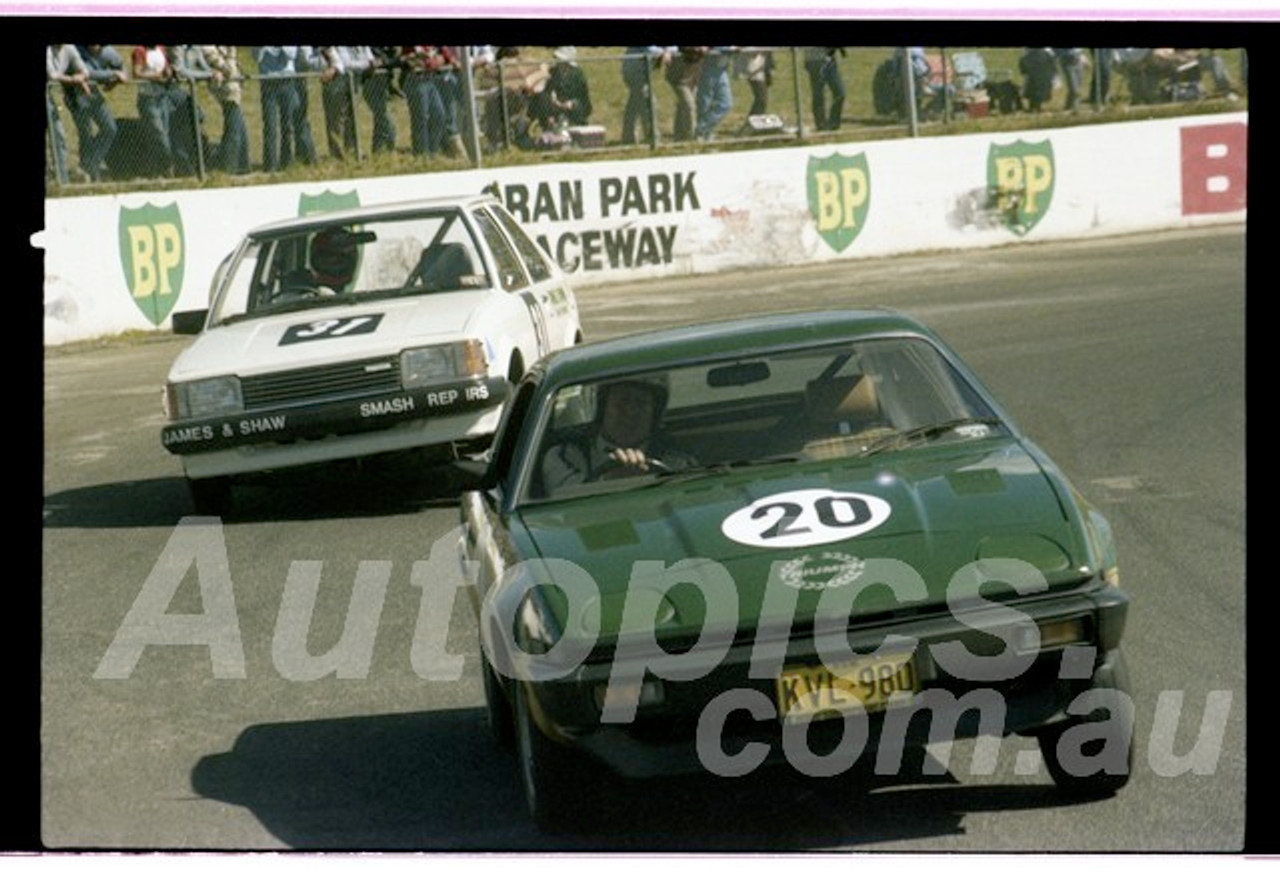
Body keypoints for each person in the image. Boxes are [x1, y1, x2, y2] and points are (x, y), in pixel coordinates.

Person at [541, 376, 694, 492]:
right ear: (603, 408)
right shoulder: (565, 455)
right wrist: (611, 481)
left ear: (655, 414)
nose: (630, 411)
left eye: (641, 403)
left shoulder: (677, 461)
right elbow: (565, 502)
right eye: (622, 401)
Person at [72, 45, 125, 181]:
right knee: (85, 133)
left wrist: (115, 81)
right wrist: (113, 74)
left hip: (93, 92)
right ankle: (90, 173)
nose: (95, 47)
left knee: (109, 128)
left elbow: (122, 70)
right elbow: (87, 73)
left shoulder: (109, 52)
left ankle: (89, 164)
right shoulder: (78, 50)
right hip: (75, 93)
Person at [131, 44, 181, 175]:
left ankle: (159, 170)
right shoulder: (140, 51)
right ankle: (169, 165)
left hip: (162, 96)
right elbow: (136, 73)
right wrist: (155, 76)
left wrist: (169, 71)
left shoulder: (162, 49)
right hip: (148, 98)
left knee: (165, 132)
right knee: (159, 133)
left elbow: (166, 67)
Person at [199, 45, 250, 173]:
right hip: (225, 92)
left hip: (234, 90)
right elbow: (229, 70)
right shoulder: (207, 48)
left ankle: (243, 165)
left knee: (240, 128)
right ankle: (230, 166)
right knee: (233, 130)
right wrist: (231, 53)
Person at [399, 46, 455, 156]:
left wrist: (438, 60)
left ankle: (432, 152)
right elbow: (412, 58)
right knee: (421, 117)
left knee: (439, 115)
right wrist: (425, 59)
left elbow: (445, 55)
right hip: (415, 79)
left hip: (429, 79)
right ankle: (421, 153)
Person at [315, 46, 359, 160]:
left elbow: (340, 64)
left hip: (343, 81)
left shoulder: (332, 50)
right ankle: (337, 155)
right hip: (331, 85)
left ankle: (351, 151)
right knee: (334, 122)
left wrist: (334, 68)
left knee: (348, 119)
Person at [620, 45, 670, 145]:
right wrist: (663, 52)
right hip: (634, 72)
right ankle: (653, 138)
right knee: (648, 103)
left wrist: (667, 51)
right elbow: (649, 49)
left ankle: (628, 137)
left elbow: (674, 48)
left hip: (643, 72)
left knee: (634, 104)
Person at [541, 46, 593, 128]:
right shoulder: (553, 72)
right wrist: (552, 97)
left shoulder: (578, 75)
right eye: (557, 58)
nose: (558, 62)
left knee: (576, 106)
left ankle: (573, 126)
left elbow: (584, 98)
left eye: (561, 59)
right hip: (556, 106)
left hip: (573, 107)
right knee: (542, 99)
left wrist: (572, 103)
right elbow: (547, 90)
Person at [665, 46, 706, 142]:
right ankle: (691, 137)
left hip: (693, 76)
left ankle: (679, 136)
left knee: (682, 106)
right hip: (678, 77)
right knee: (689, 105)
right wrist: (697, 49)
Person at [695, 46, 735, 141]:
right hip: (708, 69)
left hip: (722, 70)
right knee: (704, 103)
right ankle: (703, 134)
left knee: (726, 103)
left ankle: (702, 127)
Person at [803, 47, 846, 131]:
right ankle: (821, 124)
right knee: (818, 93)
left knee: (840, 93)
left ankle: (834, 123)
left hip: (830, 60)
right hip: (815, 60)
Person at [734, 47, 774, 126]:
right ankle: (751, 124)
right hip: (751, 68)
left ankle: (754, 123)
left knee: (762, 99)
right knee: (762, 98)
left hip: (761, 68)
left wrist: (770, 67)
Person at [1019, 47, 1057, 112]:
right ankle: (1036, 107)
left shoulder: (1026, 56)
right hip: (1042, 72)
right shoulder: (1046, 54)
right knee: (1038, 90)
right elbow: (1052, 64)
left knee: (1033, 90)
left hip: (1035, 73)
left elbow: (1023, 70)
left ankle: (1034, 107)